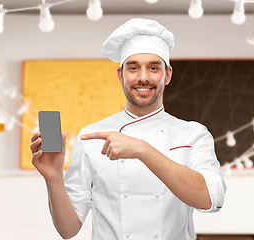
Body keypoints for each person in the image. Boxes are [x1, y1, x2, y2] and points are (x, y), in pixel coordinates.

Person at [30, 18, 226, 240]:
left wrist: (142, 150)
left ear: (168, 75)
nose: (143, 77)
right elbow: (68, 229)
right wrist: (54, 177)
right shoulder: (91, 137)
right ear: (120, 75)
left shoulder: (193, 134)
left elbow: (211, 199)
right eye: (133, 68)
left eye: (154, 67)